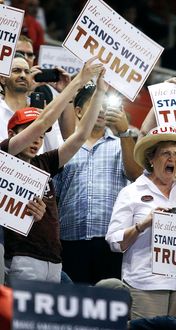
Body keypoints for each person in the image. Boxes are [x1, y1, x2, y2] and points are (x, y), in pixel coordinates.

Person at [2, 57, 105, 283]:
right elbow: (41, 122)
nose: (38, 138)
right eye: (29, 132)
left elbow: (79, 137)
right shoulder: (4, 155)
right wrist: (78, 81)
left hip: (54, 259)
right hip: (21, 257)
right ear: (12, 135)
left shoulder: (44, 163)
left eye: (41, 135)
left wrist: (99, 92)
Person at [106, 126, 176, 319]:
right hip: (145, 283)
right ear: (151, 159)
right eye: (166, 153)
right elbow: (115, 241)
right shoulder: (132, 192)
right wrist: (144, 224)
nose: (172, 159)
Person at [53, 83, 142, 285]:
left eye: (105, 104)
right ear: (77, 111)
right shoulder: (65, 147)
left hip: (110, 242)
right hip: (69, 241)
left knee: (107, 308)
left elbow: (135, 174)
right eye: (95, 103)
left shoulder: (121, 144)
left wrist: (125, 132)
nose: (101, 109)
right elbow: (54, 196)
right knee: (72, 307)